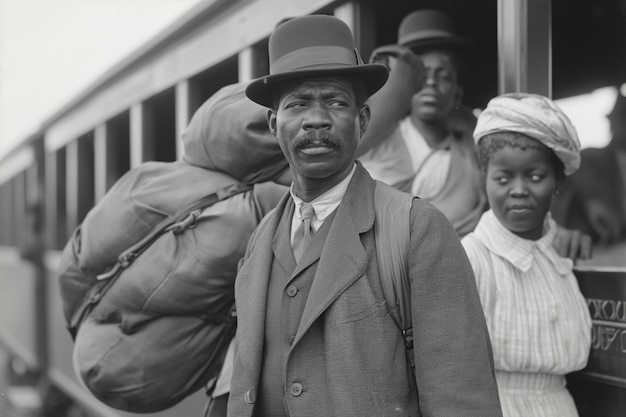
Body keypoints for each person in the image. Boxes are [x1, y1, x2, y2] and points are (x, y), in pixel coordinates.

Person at [228, 14, 502, 416]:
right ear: (274, 124)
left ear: (363, 121)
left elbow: (460, 399)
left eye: (336, 102)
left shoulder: (417, 229)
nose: (316, 118)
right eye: (297, 103)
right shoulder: (261, 241)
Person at [463, 93, 592, 417]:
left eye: (535, 177)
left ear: (558, 179)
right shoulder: (473, 258)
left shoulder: (560, 253)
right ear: (485, 179)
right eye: (503, 178)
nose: (518, 189)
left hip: (559, 404)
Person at [358, 9, 486, 237]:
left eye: (444, 76)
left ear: (458, 93)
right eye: (421, 75)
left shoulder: (470, 147)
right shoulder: (378, 139)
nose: (431, 83)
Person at [551, 88, 626, 263]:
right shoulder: (590, 158)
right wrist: (590, 200)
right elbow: (565, 176)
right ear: (612, 122)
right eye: (623, 118)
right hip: (595, 257)